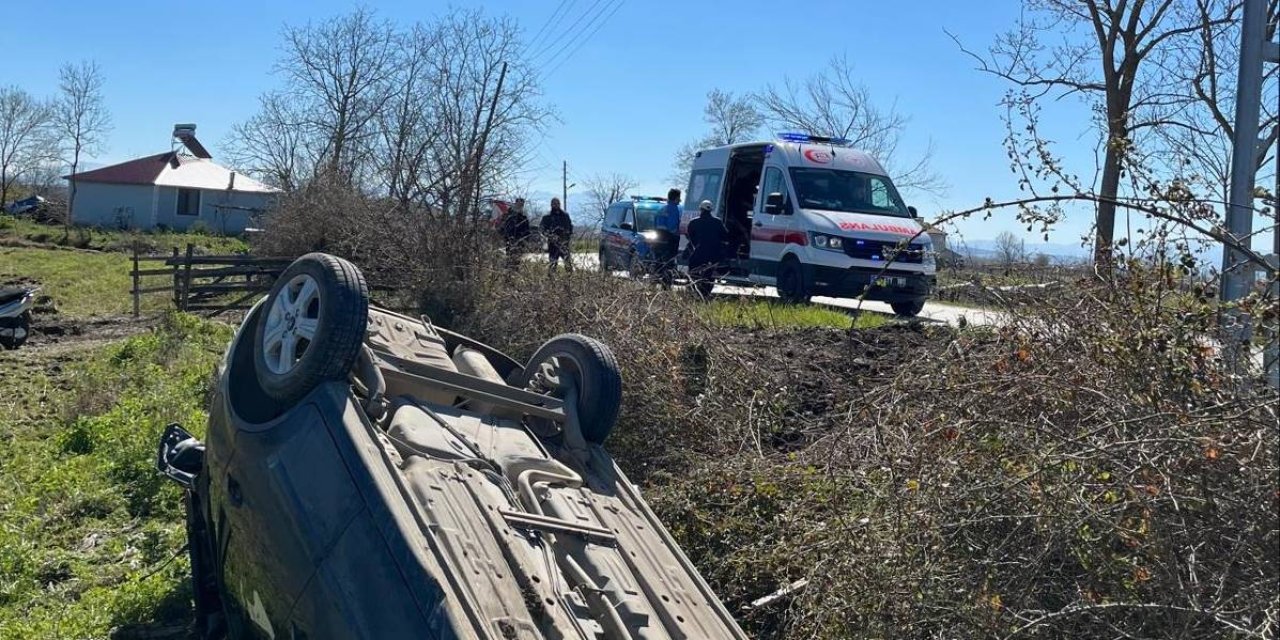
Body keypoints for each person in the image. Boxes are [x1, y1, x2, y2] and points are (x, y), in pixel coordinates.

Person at [685, 199, 728, 299]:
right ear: (711, 210)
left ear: (700, 209)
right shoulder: (717, 222)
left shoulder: (693, 222)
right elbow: (725, 236)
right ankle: (705, 295)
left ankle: (693, 293)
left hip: (698, 253)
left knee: (693, 272)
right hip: (713, 254)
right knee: (709, 275)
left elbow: (690, 236)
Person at [540, 197, 574, 273]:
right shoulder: (547, 217)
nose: (556, 205)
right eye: (554, 203)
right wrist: (550, 235)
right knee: (552, 265)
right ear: (551, 205)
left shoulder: (565, 216)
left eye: (557, 203)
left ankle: (570, 279)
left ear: (560, 204)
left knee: (568, 264)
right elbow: (542, 229)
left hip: (564, 244)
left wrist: (567, 235)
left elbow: (570, 227)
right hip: (553, 245)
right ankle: (551, 279)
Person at [498, 198, 530, 268]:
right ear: (515, 204)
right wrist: (507, 237)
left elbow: (527, 232)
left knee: (517, 263)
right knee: (509, 261)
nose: (520, 206)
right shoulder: (508, 217)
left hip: (519, 243)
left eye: (521, 205)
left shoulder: (524, 218)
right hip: (509, 243)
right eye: (518, 204)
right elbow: (502, 229)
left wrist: (524, 241)